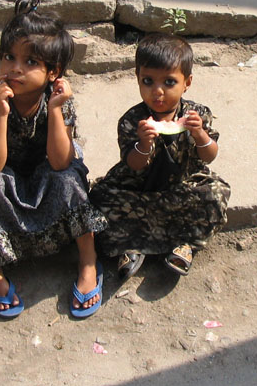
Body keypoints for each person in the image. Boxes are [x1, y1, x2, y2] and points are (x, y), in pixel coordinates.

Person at [0, 0, 107, 319]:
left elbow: (60, 162)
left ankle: (88, 262)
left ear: (53, 72)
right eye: (9, 57)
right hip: (6, 175)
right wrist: (2, 114)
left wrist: (56, 110)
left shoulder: (59, 101)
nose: (15, 68)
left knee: (69, 178)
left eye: (30, 62)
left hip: (45, 175)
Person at [89, 32, 230, 280]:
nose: (157, 91)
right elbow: (133, 165)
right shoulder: (132, 120)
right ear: (137, 79)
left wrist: (200, 134)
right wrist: (144, 143)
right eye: (148, 81)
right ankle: (132, 245)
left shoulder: (197, 114)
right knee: (99, 200)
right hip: (137, 186)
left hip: (183, 183)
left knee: (215, 195)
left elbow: (209, 156)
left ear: (187, 82)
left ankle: (184, 244)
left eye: (169, 82)